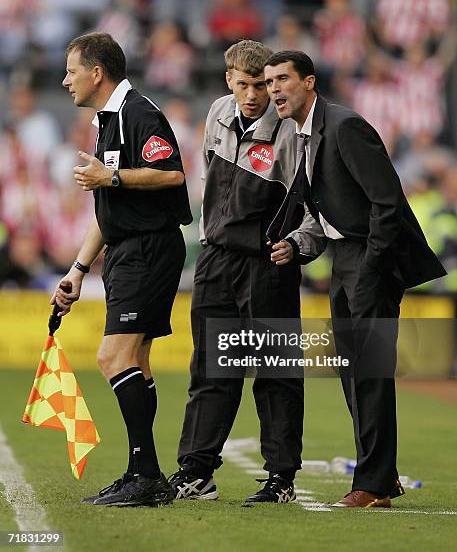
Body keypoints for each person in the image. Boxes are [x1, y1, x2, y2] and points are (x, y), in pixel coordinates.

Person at [264, 50, 446, 508]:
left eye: (283, 79)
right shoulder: (302, 134)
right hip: (344, 257)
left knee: (369, 374)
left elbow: (387, 202)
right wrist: (299, 243)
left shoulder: (345, 126)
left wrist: (372, 268)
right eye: (269, 83)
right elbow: (322, 205)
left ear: (309, 82)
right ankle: (381, 473)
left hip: (369, 258)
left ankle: (374, 484)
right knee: (353, 373)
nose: (275, 90)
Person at [168, 40, 325, 504]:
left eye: (263, 85)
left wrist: (297, 245)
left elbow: (319, 203)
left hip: (267, 265)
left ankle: (281, 479)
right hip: (216, 261)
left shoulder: (296, 130)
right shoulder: (217, 112)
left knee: (276, 374)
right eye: (244, 85)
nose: (255, 95)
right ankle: (196, 473)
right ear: (228, 81)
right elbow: (207, 183)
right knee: (210, 369)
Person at [52, 32, 192, 507]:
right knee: (137, 361)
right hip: (127, 250)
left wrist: (110, 175)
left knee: (112, 358)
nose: (65, 80)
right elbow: (106, 210)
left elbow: (173, 172)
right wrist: (77, 268)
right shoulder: (107, 120)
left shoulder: (138, 112)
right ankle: (140, 470)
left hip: (148, 250)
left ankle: (147, 475)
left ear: (97, 72)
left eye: (72, 71)